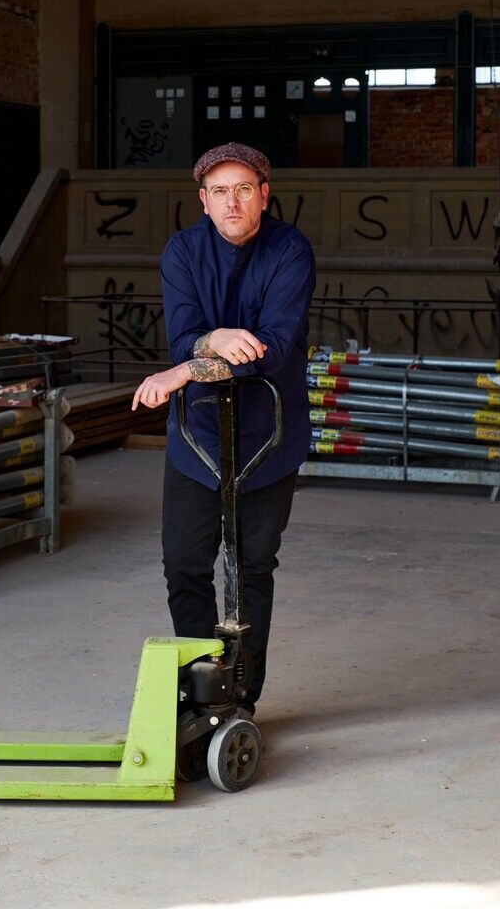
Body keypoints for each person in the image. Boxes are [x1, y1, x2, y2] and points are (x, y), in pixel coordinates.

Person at [132, 142, 316, 714]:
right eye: (219, 192)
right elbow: (183, 337)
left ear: (263, 195)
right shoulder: (182, 252)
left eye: (243, 190)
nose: (231, 202)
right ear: (203, 201)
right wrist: (210, 341)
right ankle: (199, 692)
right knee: (185, 565)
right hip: (199, 439)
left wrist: (189, 369)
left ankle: (240, 700)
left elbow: (272, 350)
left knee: (252, 569)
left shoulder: (290, 251)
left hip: (267, 439)